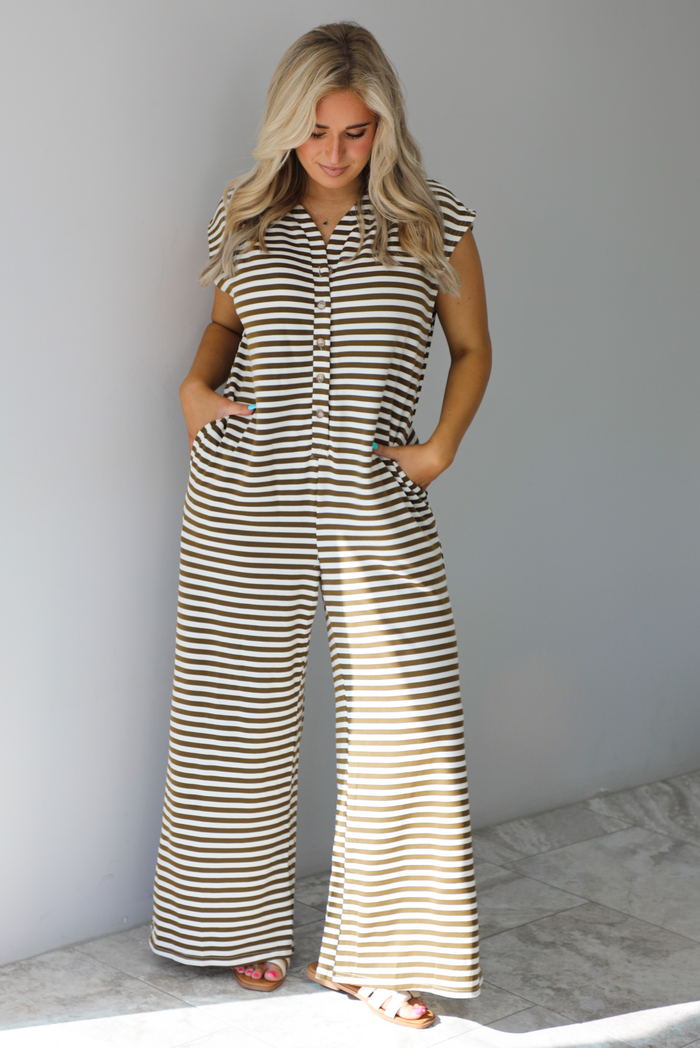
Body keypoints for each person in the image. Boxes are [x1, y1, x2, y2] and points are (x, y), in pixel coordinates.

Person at [149, 21, 491, 1030]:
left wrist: (439, 448)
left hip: (375, 499)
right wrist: (193, 390)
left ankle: (378, 952)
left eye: (355, 130)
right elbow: (221, 326)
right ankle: (231, 923)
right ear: (285, 130)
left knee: (406, 721)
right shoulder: (245, 216)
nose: (335, 152)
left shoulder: (435, 222)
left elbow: (471, 349)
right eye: (316, 132)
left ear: (384, 125)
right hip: (248, 491)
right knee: (234, 711)